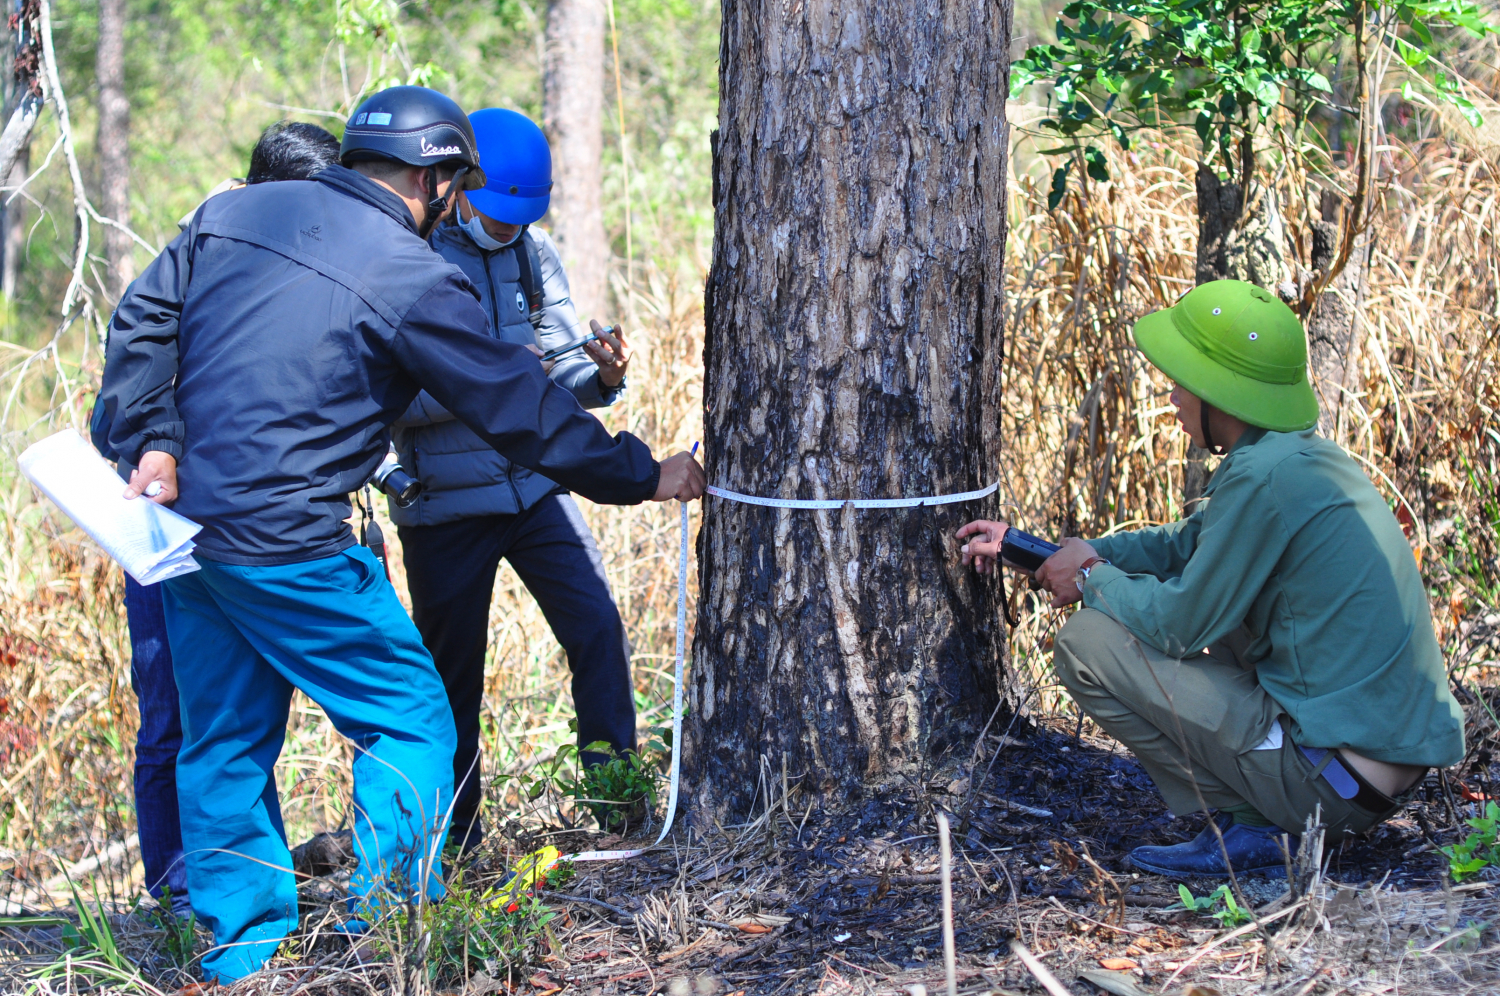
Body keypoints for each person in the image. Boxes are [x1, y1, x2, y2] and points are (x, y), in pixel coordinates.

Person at [98, 86, 704, 983]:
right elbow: (521, 407)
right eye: (454, 185)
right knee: (413, 720)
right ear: (432, 177)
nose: (454, 204)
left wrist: (150, 438)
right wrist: (640, 474)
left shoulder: (232, 211)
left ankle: (244, 957)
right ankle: (389, 937)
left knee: (222, 741)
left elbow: (144, 318)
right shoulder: (409, 273)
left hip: (183, 531)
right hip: (294, 543)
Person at [956, 279, 1464, 878]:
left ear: (1222, 393)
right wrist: (1032, 550)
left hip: (1330, 783)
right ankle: (1262, 813)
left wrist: (1091, 576)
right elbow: (1186, 546)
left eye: (1183, 380)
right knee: (1197, 608)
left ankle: (1258, 825)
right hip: (1368, 773)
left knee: (1087, 643)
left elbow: (1178, 623)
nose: (1171, 395)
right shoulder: (1298, 460)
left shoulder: (1263, 479)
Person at [89, 119, 342, 919]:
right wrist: (159, 450)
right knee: (175, 715)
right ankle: (178, 889)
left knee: (232, 719)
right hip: (166, 528)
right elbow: (124, 396)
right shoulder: (194, 258)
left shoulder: (291, 267)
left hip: (250, 532)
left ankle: (242, 879)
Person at [391, 107, 636, 852]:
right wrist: (491, 382)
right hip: (445, 508)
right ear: (459, 186)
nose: (506, 229)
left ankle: (618, 806)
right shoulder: (413, 257)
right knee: (452, 679)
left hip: (534, 492)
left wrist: (598, 375)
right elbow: (388, 393)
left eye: (519, 218)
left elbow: (558, 373)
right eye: (496, 214)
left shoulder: (534, 256)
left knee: (597, 628)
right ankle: (456, 844)